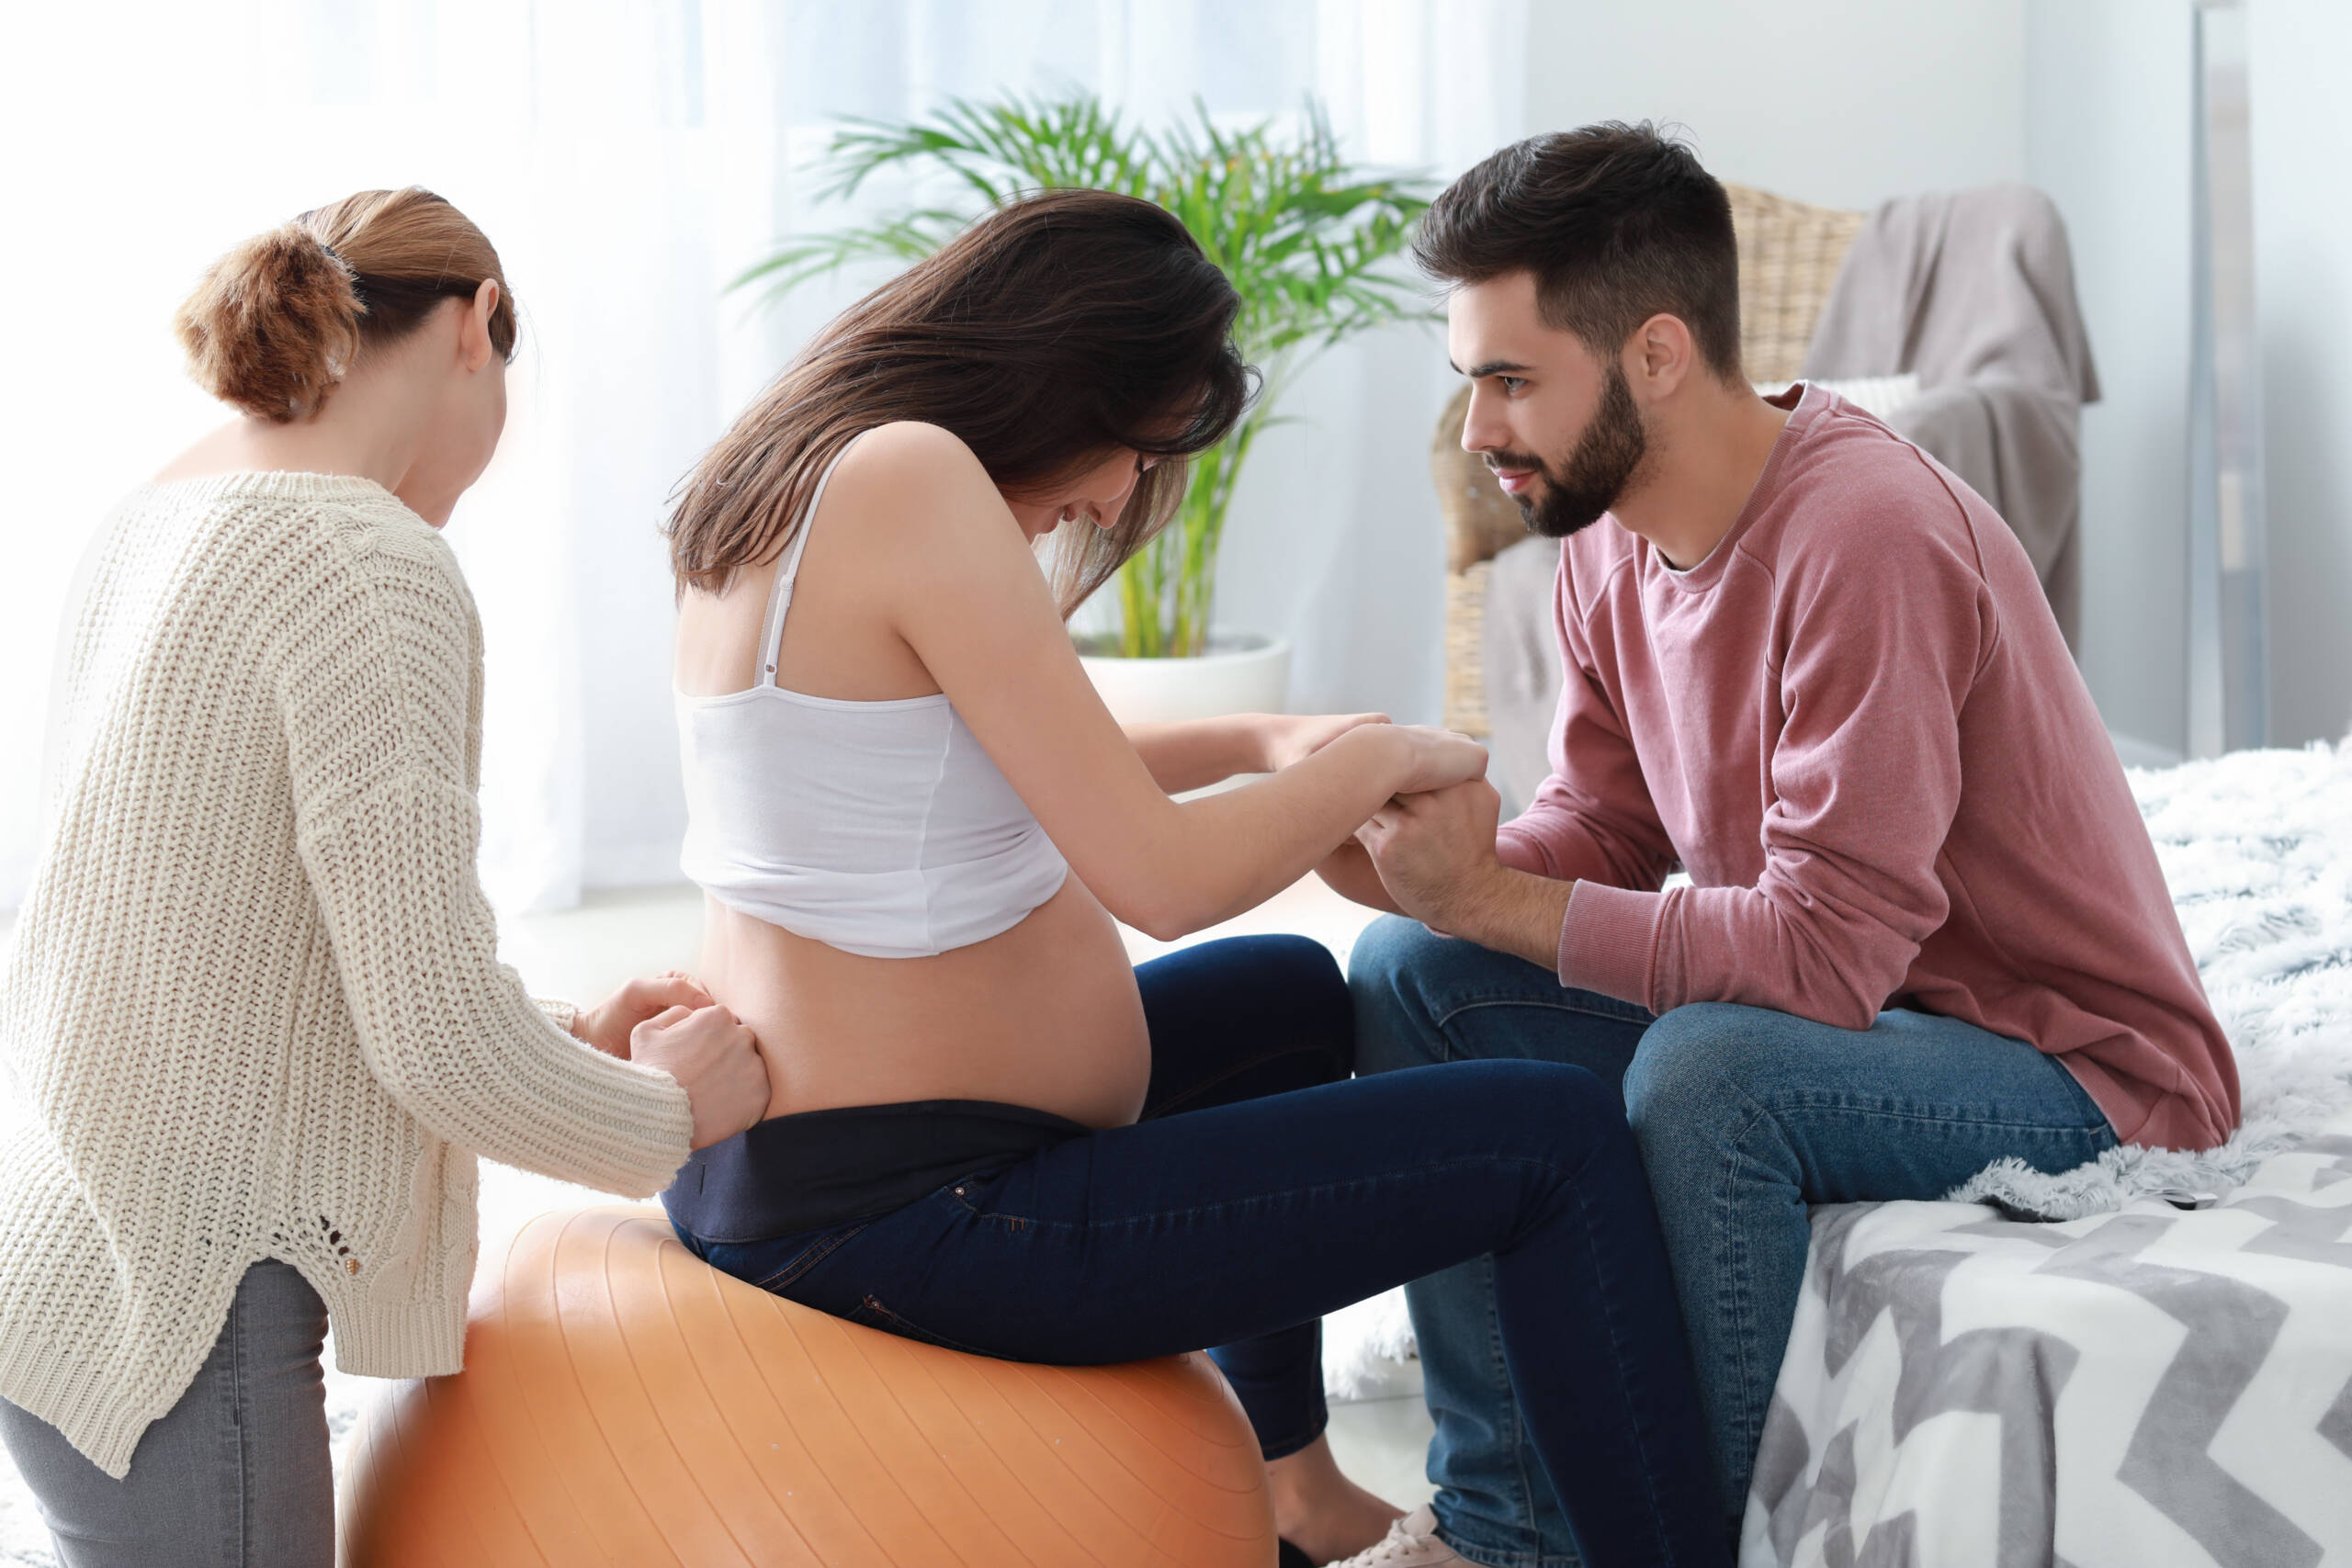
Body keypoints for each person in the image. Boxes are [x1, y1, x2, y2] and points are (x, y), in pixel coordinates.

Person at [660, 186, 1728, 1568]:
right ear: (1061, 370)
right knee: (1550, 1140)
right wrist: (1374, 764)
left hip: (817, 1171)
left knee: (1290, 995)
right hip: (919, 1216)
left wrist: (1260, 738)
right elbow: (1156, 880)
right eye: (1138, 446)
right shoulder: (909, 477)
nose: (1116, 498)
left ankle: (1287, 1489)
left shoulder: (803, 471)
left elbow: (992, 746)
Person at [1324, 124, 2238, 1567]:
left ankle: (1687, 1540)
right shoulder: (1607, 547)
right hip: (1880, 1013)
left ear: (1657, 356)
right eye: (1470, 381)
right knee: (1409, 968)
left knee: (1710, 1073)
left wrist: (1498, 895)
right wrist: (1430, 866)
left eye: (1510, 379)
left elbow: (1820, 956)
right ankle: (1502, 1529)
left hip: (2071, 1056)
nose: (1477, 428)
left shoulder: (1866, 535)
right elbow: (1613, 830)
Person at [0, 188, 772, 1568]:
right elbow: (425, 1034)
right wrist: (664, 1116)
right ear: (477, 324)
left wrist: (556, 1045)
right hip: (189, 1326)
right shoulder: (366, 562)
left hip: (59, 1261)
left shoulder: (152, 518)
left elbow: (252, 957)